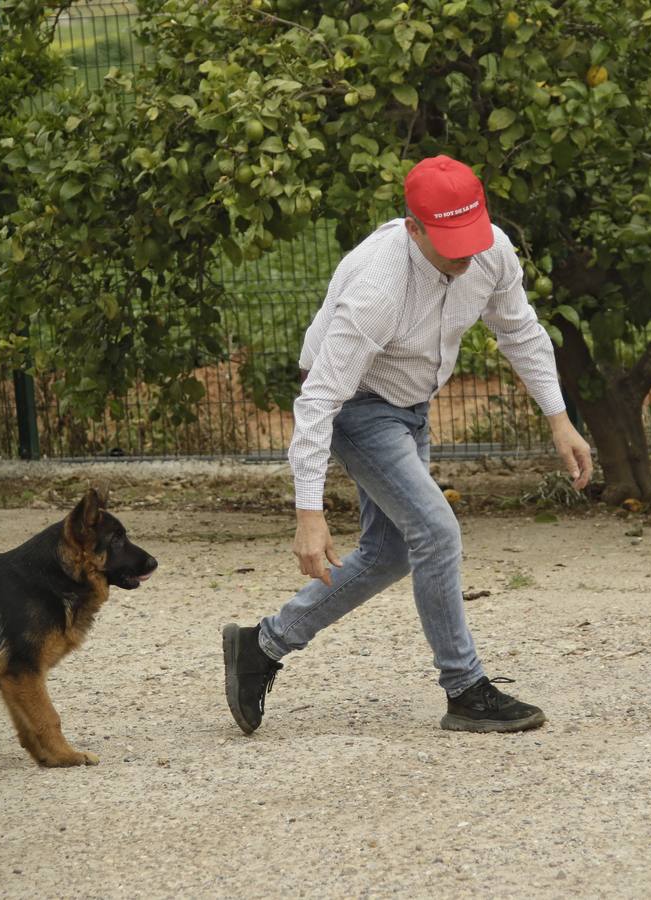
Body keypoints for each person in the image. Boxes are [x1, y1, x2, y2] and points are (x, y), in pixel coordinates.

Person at [221, 154, 592, 735]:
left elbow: (519, 328)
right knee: (436, 530)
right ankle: (465, 688)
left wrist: (559, 418)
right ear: (414, 227)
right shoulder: (377, 285)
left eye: (471, 235)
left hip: (411, 406)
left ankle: (263, 645)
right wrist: (309, 515)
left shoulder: (490, 250)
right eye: (448, 241)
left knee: (390, 553)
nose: (465, 253)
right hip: (358, 410)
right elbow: (318, 402)